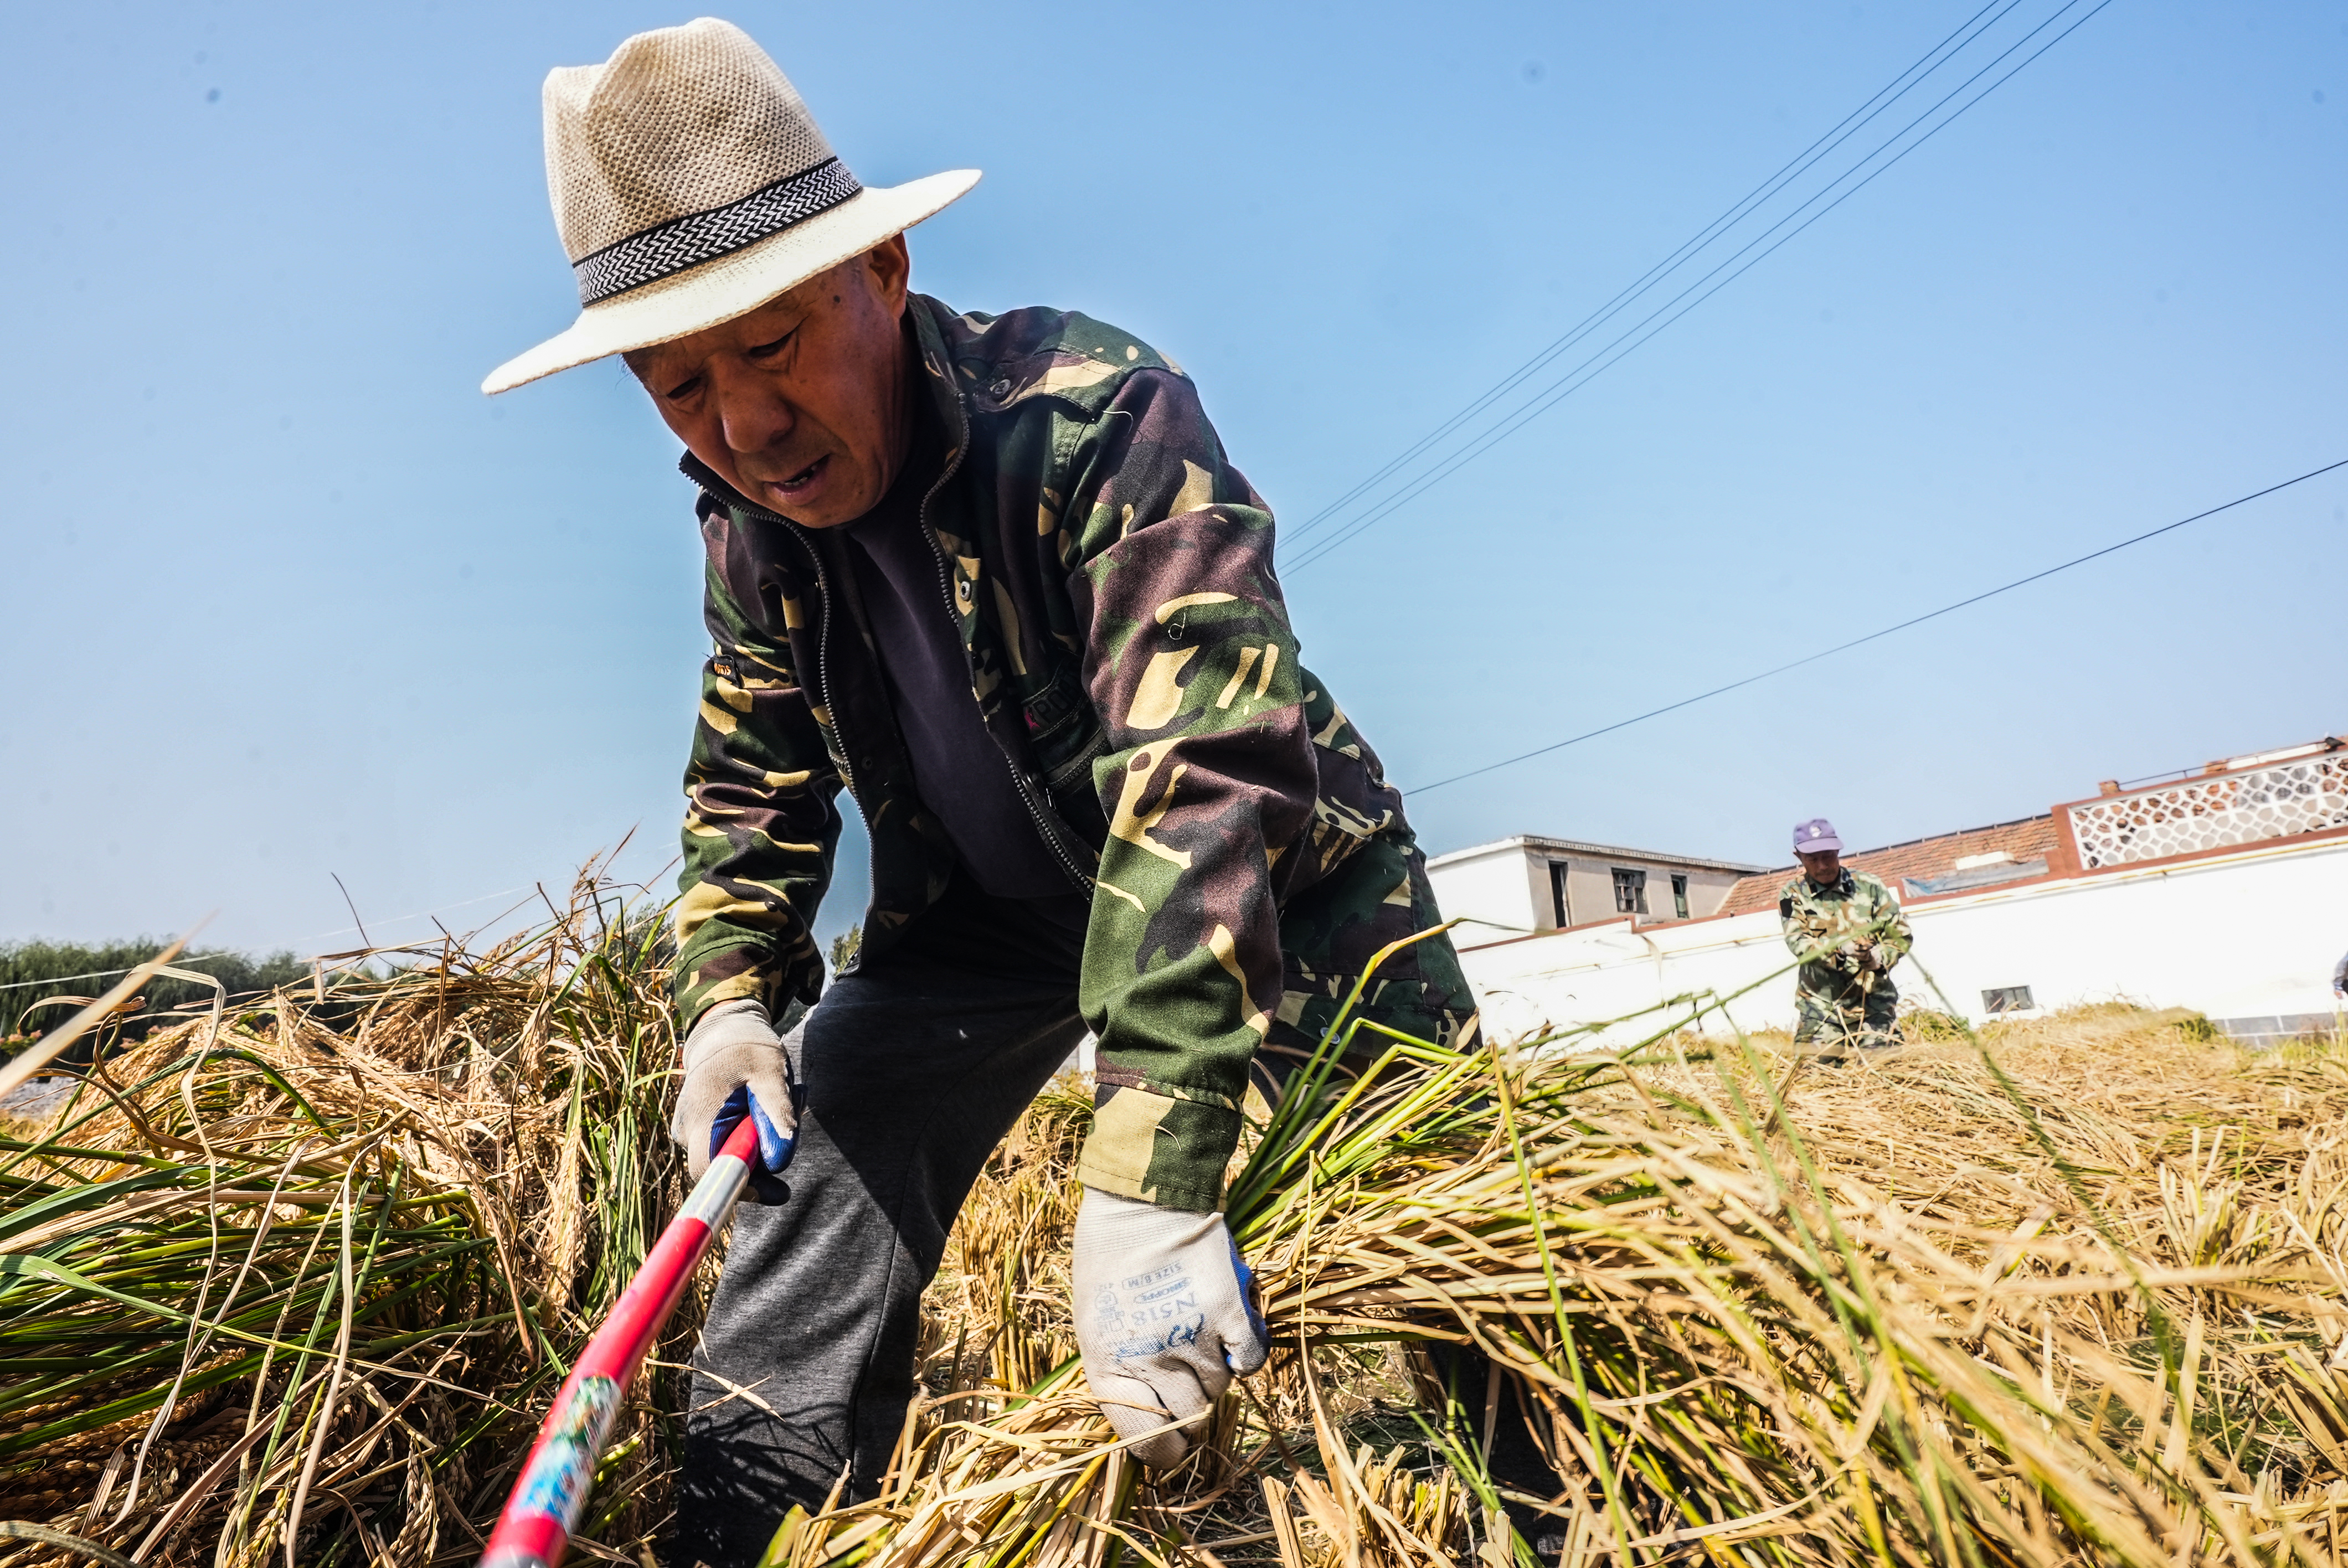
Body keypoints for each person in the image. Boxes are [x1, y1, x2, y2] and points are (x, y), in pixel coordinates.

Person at [480, 22, 1478, 1565]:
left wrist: (1155, 1163)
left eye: (770, 346)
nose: (743, 427)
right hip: (984, 921)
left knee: (1463, 1210)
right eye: (677, 385)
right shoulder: (749, 529)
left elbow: (1203, 772)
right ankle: (749, 1536)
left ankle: (1545, 1505)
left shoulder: (1092, 414)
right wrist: (731, 1004)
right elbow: (752, 790)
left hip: (1268, 879)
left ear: (878, 275)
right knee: (818, 1161)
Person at [1777, 819, 1911, 1056]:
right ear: (1798, 857)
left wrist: (1880, 958)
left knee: (1887, 1075)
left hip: (1873, 1002)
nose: (1822, 866)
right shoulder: (1791, 895)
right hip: (1821, 1006)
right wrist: (1839, 950)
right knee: (1814, 1081)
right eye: (1812, 859)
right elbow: (1797, 941)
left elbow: (1900, 934)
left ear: (1838, 850)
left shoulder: (1871, 887)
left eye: (1828, 856)